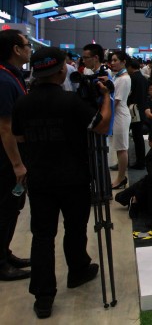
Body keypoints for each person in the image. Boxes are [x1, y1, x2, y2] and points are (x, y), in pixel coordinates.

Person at [12, 47, 112, 318]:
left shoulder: (22, 103)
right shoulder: (70, 102)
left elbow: (19, 138)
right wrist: (105, 97)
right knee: (75, 227)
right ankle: (77, 270)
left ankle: (43, 296)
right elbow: (101, 125)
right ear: (60, 72)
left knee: (42, 236)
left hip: (40, 179)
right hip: (74, 177)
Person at [0, 30, 32, 281]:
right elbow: (5, 127)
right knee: (5, 208)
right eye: (27, 45)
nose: (29, 49)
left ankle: (5, 253)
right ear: (16, 49)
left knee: (13, 208)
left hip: (12, 156)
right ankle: (1, 263)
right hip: (6, 160)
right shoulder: (4, 80)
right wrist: (17, 164)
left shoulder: (13, 76)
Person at [109, 51, 131, 189]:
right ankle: (120, 178)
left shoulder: (124, 79)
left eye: (115, 60)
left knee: (122, 148)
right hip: (118, 114)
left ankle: (121, 178)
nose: (112, 63)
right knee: (119, 148)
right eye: (111, 60)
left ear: (123, 62)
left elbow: (116, 101)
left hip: (120, 115)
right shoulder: (118, 76)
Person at [126, 58, 148, 170]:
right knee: (138, 137)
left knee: (136, 137)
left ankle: (139, 162)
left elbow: (129, 95)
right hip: (141, 110)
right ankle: (141, 161)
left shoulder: (132, 78)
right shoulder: (143, 78)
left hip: (133, 110)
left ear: (130, 67)